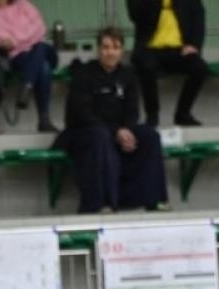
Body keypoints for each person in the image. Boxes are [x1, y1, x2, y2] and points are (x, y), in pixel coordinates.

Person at [60, 27, 169, 214]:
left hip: (118, 130)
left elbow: (132, 111)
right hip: (86, 133)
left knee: (150, 136)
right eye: (106, 47)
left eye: (116, 47)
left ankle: (155, 199)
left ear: (122, 51)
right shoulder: (84, 75)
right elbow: (82, 113)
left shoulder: (128, 76)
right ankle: (103, 203)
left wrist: (126, 129)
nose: (110, 52)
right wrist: (116, 131)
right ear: (98, 49)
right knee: (100, 136)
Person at [0, 0, 60, 133]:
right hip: (18, 58)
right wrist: (25, 40)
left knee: (40, 47)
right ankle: (44, 120)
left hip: (42, 52)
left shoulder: (24, 5)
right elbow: (0, 39)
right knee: (43, 67)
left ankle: (28, 84)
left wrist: (18, 41)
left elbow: (39, 29)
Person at [127, 0, 208, 126]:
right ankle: (152, 115)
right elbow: (135, 15)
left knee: (199, 68)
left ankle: (183, 114)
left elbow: (198, 17)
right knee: (147, 66)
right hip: (149, 48)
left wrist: (194, 45)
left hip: (179, 50)